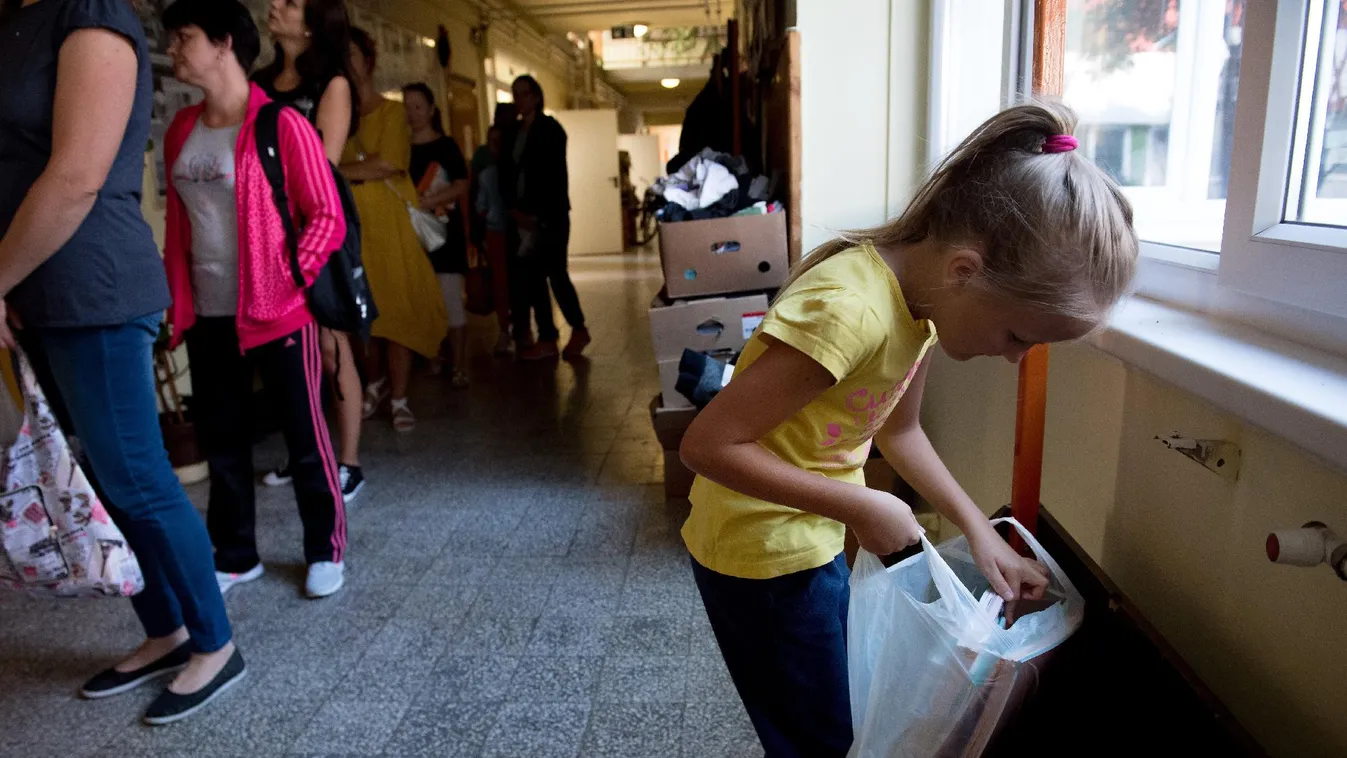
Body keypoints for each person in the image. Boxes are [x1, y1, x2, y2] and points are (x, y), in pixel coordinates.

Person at [678, 102, 1139, 756]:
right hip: (758, 553)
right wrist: (865, 506)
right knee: (826, 738)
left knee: (840, 714)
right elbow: (708, 445)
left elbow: (901, 433)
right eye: (1018, 335)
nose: (1015, 358)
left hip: (809, 533)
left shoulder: (918, 309)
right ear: (964, 271)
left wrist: (980, 533)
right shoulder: (848, 311)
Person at [0, 0, 241, 725]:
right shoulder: (16, 20)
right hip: (35, 290)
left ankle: (216, 644)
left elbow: (76, 175)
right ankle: (165, 631)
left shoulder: (90, 10)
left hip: (91, 287)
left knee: (136, 477)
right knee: (103, 481)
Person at [160, 0, 348, 600]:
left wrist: (290, 277)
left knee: (305, 437)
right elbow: (179, 227)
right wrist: (174, 299)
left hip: (279, 313)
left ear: (222, 44)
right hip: (209, 312)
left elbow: (327, 214)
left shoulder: (280, 124)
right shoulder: (181, 129)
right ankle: (236, 554)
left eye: (183, 37)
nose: (172, 49)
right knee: (223, 441)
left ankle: (325, 548)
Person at [252, 0, 365, 502]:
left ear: (314, 23)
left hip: (315, 231)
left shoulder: (331, 84)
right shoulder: (259, 82)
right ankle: (306, 452)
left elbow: (324, 169)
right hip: (262, 233)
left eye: (291, 2)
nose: (274, 6)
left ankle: (349, 462)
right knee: (287, 352)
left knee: (331, 344)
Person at [341, 27, 448, 432]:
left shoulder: (392, 113)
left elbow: (386, 164)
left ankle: (399, 397)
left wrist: (339, 170)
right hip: (353, 229)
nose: (346, 62)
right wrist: (355, 168)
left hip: (390, 229)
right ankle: (375, 383)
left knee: (398, 314)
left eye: (352, 53)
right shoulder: (336, 114)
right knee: (362, 318)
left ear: (368, 60)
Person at [503, 75, 590, 362]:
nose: (519, 100)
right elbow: (510, 173)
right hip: (522, 215)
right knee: (534, 277)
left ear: (536, 97)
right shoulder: (515, 132)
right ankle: (548, 336)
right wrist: (514, 209)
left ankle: (577, 328)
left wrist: (538, 215)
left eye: (524, 94)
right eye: (515, 94)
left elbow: (551, 176)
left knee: (555, 273)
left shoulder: (550, 130)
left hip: (549, 216)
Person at [402, 82, 471, 388]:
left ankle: (459, 364)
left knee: (450, 299)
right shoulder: (400, 148)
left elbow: (462, 184)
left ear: (431, 110)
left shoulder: (446, 146)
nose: (412, 113)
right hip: (412, 235)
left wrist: (428, 202)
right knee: (421, 300)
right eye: (407, 107)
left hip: (444, 234)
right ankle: (434, 354)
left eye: (418, 107)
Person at [475, 124, 513, 355]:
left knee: (515, 281)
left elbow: (481, 206)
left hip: (512, 231)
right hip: (497, 232)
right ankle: (505, 329)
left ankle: (515, 329)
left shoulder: (494, 173)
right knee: (501, 283)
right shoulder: (487, 175)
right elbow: (480, 206)